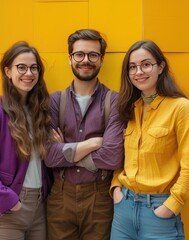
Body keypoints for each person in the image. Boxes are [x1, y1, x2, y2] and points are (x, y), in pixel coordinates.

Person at [110, 40, 189, 240]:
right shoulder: (130, 107)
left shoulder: (181, 108)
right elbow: (124, 157)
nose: (138, 72)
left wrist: (170, 206)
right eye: (132, 67)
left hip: (158, 212)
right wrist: (116, 188)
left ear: (160, 67)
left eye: (146, 64)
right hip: (123, 210)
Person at [44, 29, 125, 240]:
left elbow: (113, 156)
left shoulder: (114, 101)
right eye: (79, 54)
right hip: (60, 197)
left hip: (99, 197)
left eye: (93, 55)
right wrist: (92, 143)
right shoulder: (54, 101)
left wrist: (67, 153)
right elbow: (50, 157)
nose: (85, 60)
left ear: (102, 59)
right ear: (70, 59)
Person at [0, 41, 52, 240]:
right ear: (8, 71)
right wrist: (11, 200)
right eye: (21, 67)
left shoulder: (40, 111)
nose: (29, 73)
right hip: (8, 211)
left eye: (34, 68)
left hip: (39, 210)